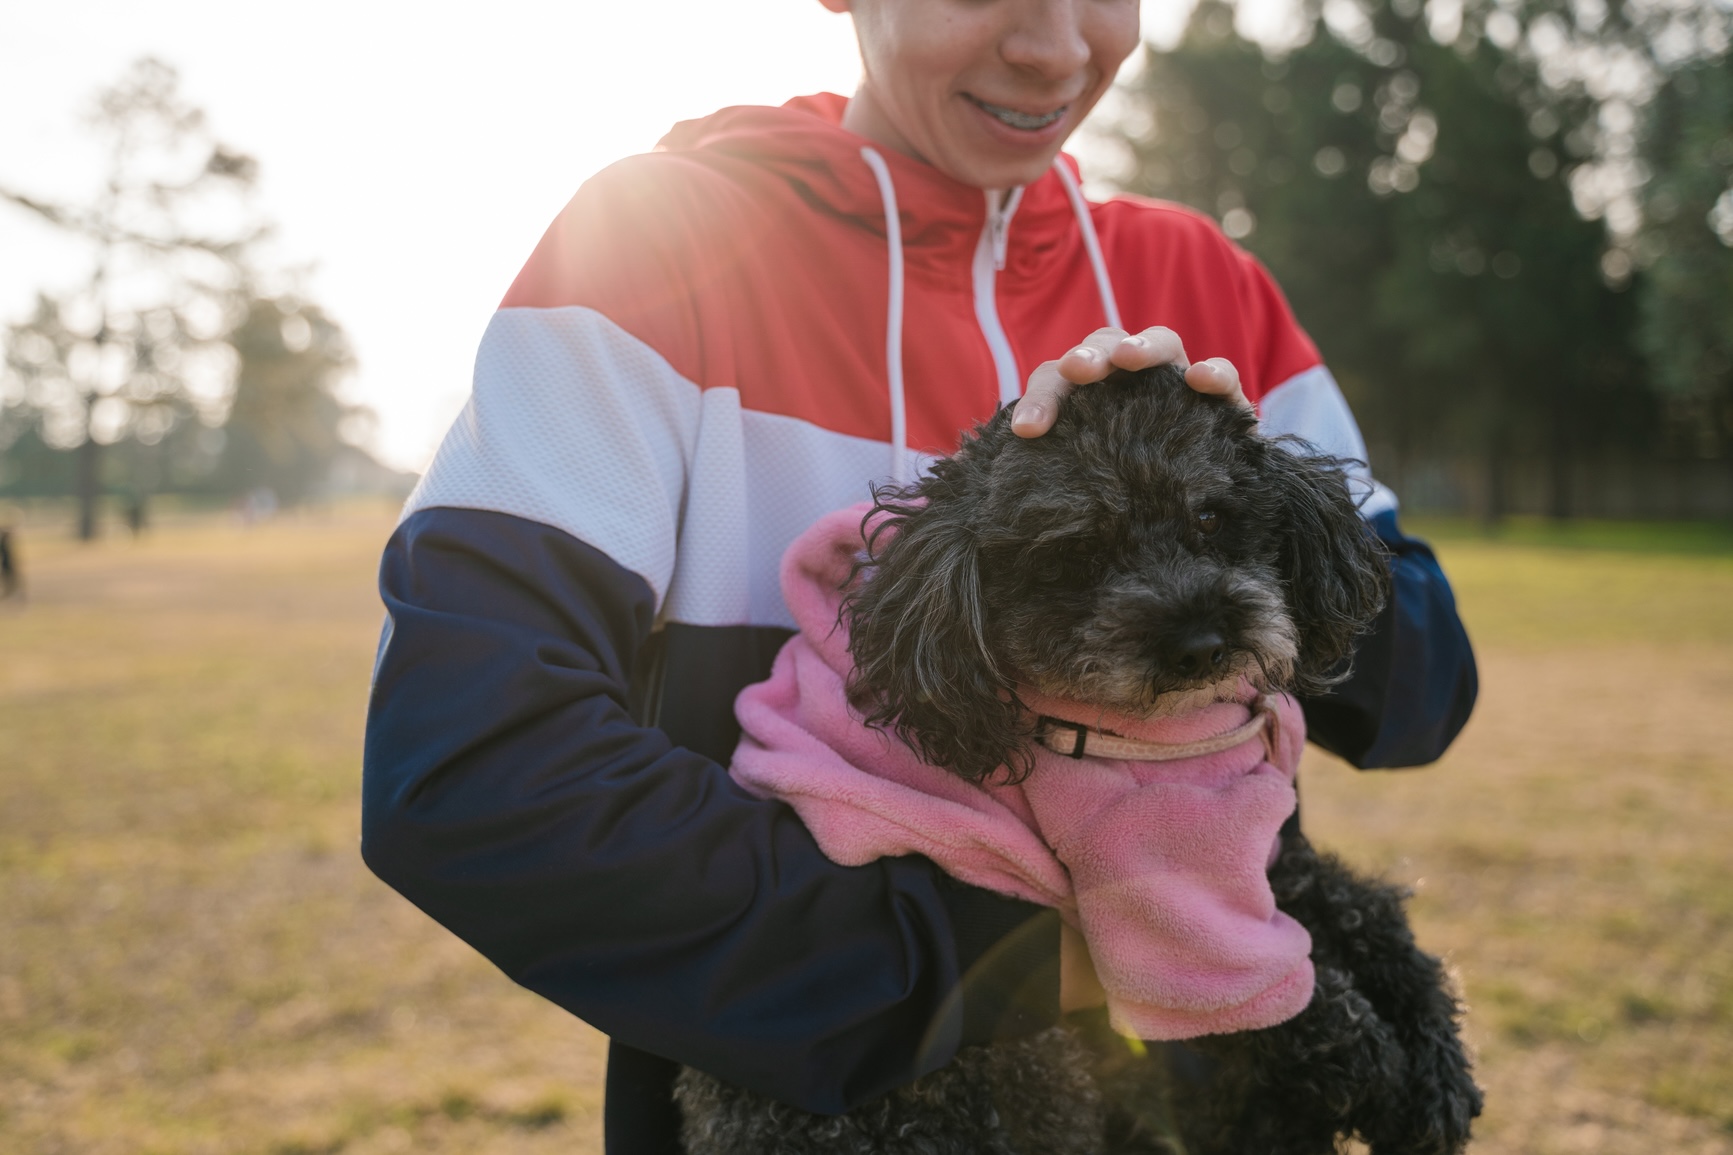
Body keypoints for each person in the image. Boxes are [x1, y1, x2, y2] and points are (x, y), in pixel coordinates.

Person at [361, 2, 1478, 1152]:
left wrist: (1249, 500)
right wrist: (1004, 960)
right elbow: (465, 771)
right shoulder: (646, 249)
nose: (1051, 47)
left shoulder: (1204, 278)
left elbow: (1420, 698)